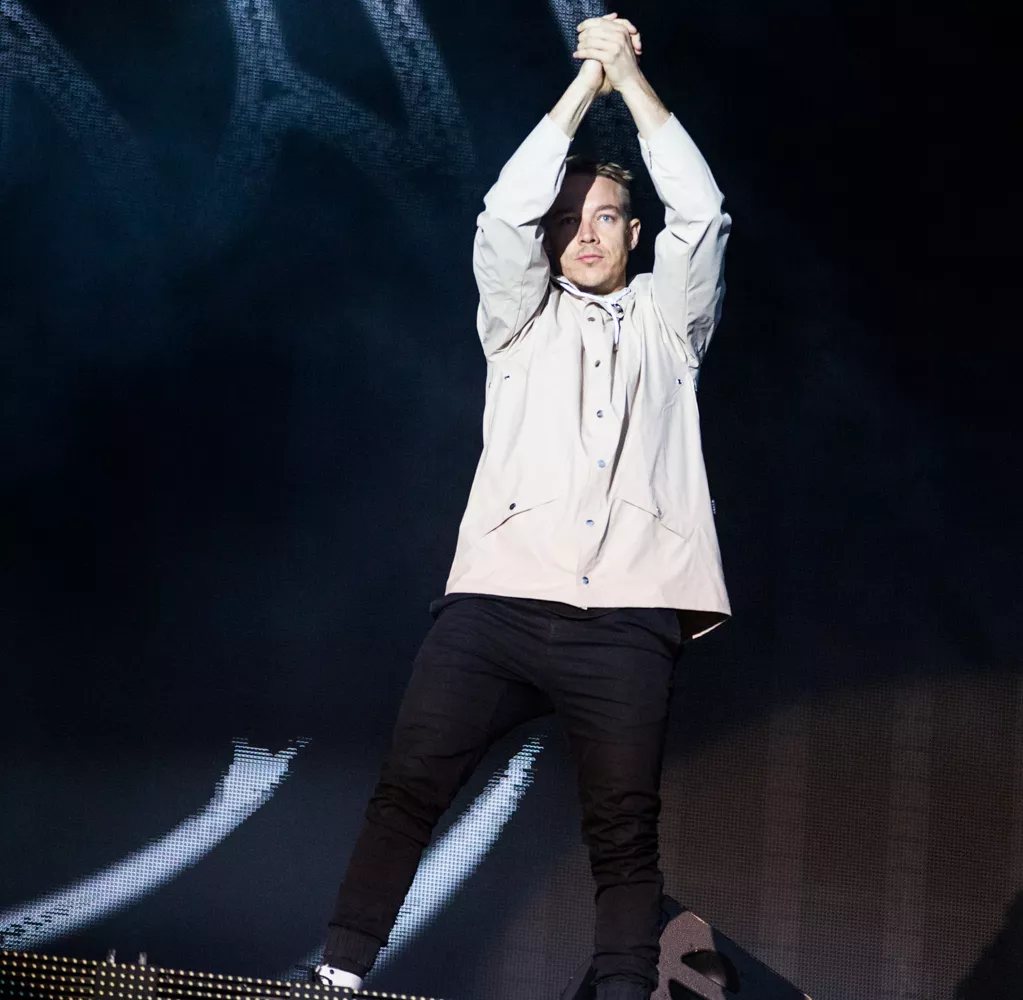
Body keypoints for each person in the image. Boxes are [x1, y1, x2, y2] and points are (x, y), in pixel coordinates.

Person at [312, 14, 732, 1000]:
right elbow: (502, 213)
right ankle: (336, 973)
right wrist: (585, 85)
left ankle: (622, 991)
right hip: (497, 605)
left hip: (627, 615)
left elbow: (704, 210)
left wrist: (629, 78)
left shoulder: (671, 324)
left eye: (607, 218)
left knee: (623, 830)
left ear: (634, 235)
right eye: (569, 218)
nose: (585, 233)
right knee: (410, 788)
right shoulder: (516, 318)